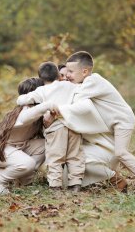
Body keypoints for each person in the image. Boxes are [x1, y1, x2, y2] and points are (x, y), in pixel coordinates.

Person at [62, 51, 135, 196]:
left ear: (84, 71)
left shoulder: (92, 81)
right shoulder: (86, 82)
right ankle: (118, 182)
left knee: (120, 152)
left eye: (71, 71)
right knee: (114, 156)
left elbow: (76, 99)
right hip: (115, 122)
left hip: (123, 119)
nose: (67, 75)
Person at [16, 62, 84, 192]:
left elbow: (22, 100)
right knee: (75, 156)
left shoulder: (41, 90)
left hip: (56, 128)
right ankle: (75, 184)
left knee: (55, 157)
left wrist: (21, 99)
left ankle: (55, 186)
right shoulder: (69, 85)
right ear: (59, 75)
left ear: (41, 78)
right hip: (73, 126)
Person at [0, 78, 58, 194]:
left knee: (44, 144)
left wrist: (47, 123)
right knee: (28, 163)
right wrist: (48, 105)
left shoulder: (37, 112)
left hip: (17, 146)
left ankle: (24, 181)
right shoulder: (25, 111)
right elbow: (27, 117)